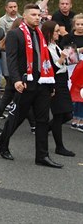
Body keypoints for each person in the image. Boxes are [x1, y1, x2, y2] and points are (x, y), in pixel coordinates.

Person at [0, 4, 62, 168]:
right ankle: (2, 143)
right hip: (25, 83)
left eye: (39, 15)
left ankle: (42, 156)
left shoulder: (41, 35)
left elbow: (45, 60)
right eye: (33, 14)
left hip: (43, 83)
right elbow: (11, 59)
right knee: (17, 117)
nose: (37, 17)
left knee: (42, 120)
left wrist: (51, 83)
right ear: (24, 17)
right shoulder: (15, 34)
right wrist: (16, 80)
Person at [41, 21, 75, 157]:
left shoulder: (55, 45)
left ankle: (43, 130)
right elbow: (50, 69)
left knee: (67, 114)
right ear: (49, 32)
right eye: (56, 31)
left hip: (63, 81)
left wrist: (70, 56)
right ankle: (59, 147)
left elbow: (64, 62)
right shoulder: (46, 48)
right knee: (59, 114)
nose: (58, 33)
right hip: (55, 82)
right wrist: (61, 59)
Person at [60, 13, 83, 131]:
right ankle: (73, 116)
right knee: (72, 90)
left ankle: (80, 118)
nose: (80, 26)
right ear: (74, 25)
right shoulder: (69, 37)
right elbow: (63, 50)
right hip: (72, 67)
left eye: (82, 24)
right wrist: (79, 50)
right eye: (78, 24)